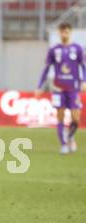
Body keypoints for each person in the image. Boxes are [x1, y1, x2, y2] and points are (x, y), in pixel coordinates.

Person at [35, 22, 85, 154]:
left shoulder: (78, 49)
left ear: (70, 33)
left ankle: (70, 136)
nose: (64, 34)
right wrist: (40, 86)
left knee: (76, 118)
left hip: (73, 88)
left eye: (67, 32)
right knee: (60, 116)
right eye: (62, 32)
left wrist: (84, 81)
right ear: (59, 33)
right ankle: (63, 144)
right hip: (58, 88)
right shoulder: (54, 50)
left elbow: (83, 67)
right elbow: (46, 69)